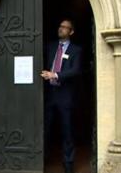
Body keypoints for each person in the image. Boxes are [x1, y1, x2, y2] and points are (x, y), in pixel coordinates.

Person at [41, 18, 82, 173]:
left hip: (66, 96)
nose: (61, 29)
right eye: (60, 26)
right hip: (50, 94)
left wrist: (55, 75)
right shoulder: (50, 46)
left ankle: (68, 163)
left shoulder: (76, 50)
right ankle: (43, 158)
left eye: (65, 27)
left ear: (71, 32)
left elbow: (75, 70)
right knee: (46, 128)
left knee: (67, 131)